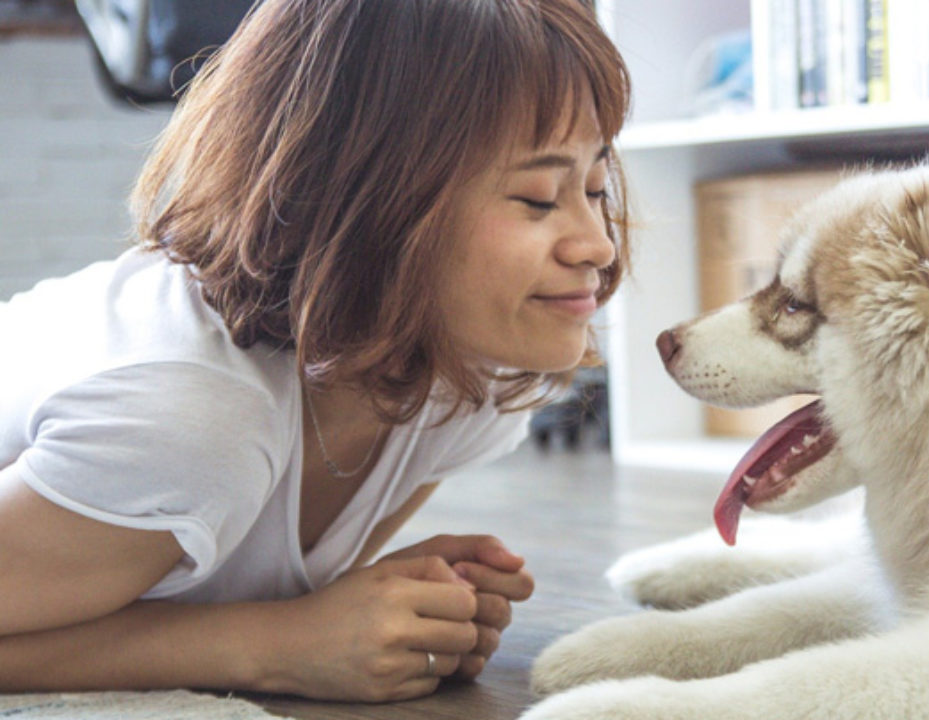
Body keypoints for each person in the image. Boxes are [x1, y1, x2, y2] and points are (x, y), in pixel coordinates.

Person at [0, 0, 630, 703]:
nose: (598, 244)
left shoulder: (467, 377)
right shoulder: (190, 419)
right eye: (538, 198)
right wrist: (272, 645)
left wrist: (383, 607)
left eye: (596, 187)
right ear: (366, 204)